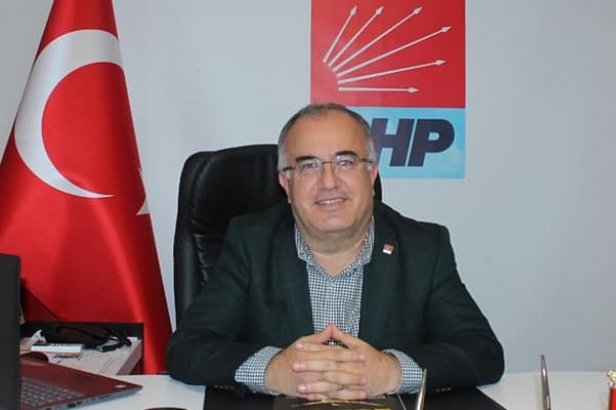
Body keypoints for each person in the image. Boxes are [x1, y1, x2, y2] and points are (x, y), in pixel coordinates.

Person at [166, 103, 504, 401]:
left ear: (371, 173)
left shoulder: (423, 247)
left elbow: (482, 352)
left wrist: (392, 372)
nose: (328, 182)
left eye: (345, 162)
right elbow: (188, 349)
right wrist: (272, 370)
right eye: (309, 165)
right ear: (286, 183)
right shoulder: (251, 242)